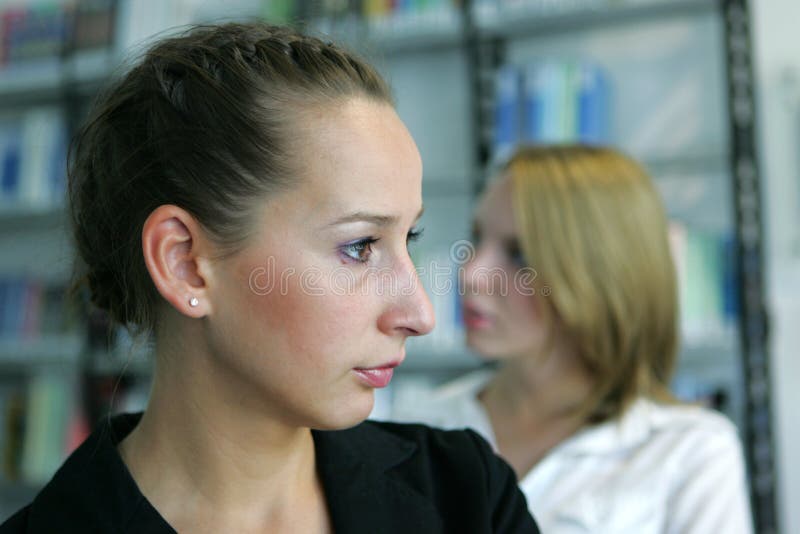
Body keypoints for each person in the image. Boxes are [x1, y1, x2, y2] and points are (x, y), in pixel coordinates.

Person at [0, 23, 539, 534]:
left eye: (409, 239)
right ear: (185, 263)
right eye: (359, 246)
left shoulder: (467, 496)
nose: (419, 313)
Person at [391, 145, 753, 533]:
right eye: (477, 239)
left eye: (519, 254)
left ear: (598, 273)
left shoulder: (690, 453)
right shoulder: (419, 424)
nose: (472, 272)